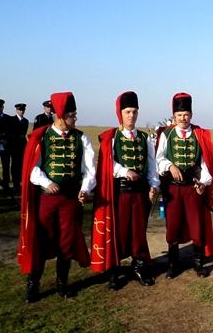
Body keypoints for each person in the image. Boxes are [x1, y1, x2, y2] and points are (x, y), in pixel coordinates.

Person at [17, 92, 96, 302]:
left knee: (67, 242)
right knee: (41, 240)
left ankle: (63, 283)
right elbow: (33, 168)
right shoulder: (42, 137)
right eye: (71, 114)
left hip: (70, 200)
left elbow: (90, 170)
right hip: (48, 200)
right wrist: (47, 182)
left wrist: (85, 189)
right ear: (60, 116)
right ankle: (33, 285)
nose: (75, 118)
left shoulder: (82, 138)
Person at [92, 91, 160, 289]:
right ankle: (114, 269)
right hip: (120, 192)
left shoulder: (144, 138)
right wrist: (124, 171)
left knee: (138, 231)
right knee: (119, 231)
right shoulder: (112, 137)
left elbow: (152, 164)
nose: (132, 115)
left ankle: (138, 266)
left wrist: (154, 185)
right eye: (128, 111)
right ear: (120, 113)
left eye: (134, 111)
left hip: (140, 192)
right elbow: (107, 163)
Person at [155, 92, 213, 278]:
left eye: (186, 114)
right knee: (173, 225)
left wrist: (203, 182)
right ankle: (173, 264)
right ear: (174, 116)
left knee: (196, 224)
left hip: (192, 188)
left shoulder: (199, 135)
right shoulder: (166, 134)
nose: (183, 118)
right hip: (173, 189)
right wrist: (170, 166)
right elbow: (159, 159)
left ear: (191, 115)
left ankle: (198, 263)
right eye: (179, 115)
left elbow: (205, 164)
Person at [11, 103, 29, 190]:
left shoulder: (26, 121)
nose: (21, 111)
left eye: (23, 110)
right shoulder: (12, 120)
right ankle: (15, 183)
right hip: (14, 145)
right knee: (15, 165)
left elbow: (24, 133)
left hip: (22, 145)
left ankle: (21, 182)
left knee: (22, 164)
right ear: (16, 110)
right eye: (20, 110)